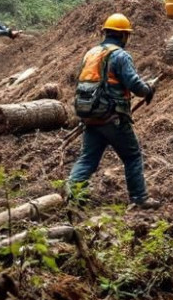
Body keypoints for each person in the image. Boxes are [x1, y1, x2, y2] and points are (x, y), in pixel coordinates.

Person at [66, 13, 161, 209]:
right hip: (112, 117)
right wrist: (148, 90)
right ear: (124, 35)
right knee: (132, 156)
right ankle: (139, 198)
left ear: (106, 32)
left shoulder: (91, 54)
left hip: (91, 116)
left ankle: (72, 196)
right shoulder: (119, 55)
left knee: (88, 159)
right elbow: (134, 84)